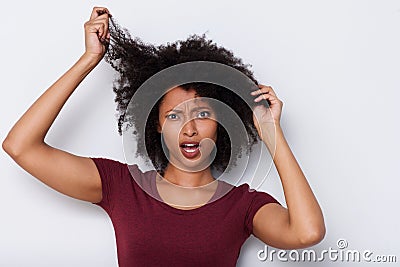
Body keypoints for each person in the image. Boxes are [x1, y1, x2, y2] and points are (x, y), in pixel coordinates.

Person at [2, 6, 325, 267]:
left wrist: (270, 132)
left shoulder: (241, 205)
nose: (189, 129)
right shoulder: (123, 187)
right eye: (173, 116)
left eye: (202, 114)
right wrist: (89, 60)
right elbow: (20, 146)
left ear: (221, 122)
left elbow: (307, 232)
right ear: (155, 124)